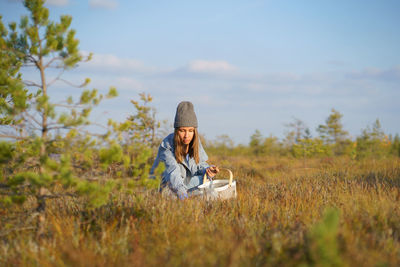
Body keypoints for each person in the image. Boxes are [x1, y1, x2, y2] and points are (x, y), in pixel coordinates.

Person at [150, 101, 219, 199]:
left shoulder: (194, 141)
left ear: (194, 131)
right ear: (177, 130)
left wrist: (207, 170)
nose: (187, 135)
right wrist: (183, 195)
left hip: (184, 183)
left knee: (210, 189)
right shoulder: (166, 146)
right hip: (165, 188)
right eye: (182, 130)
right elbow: (173, 174)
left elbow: (199, 164)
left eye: (190, 131)